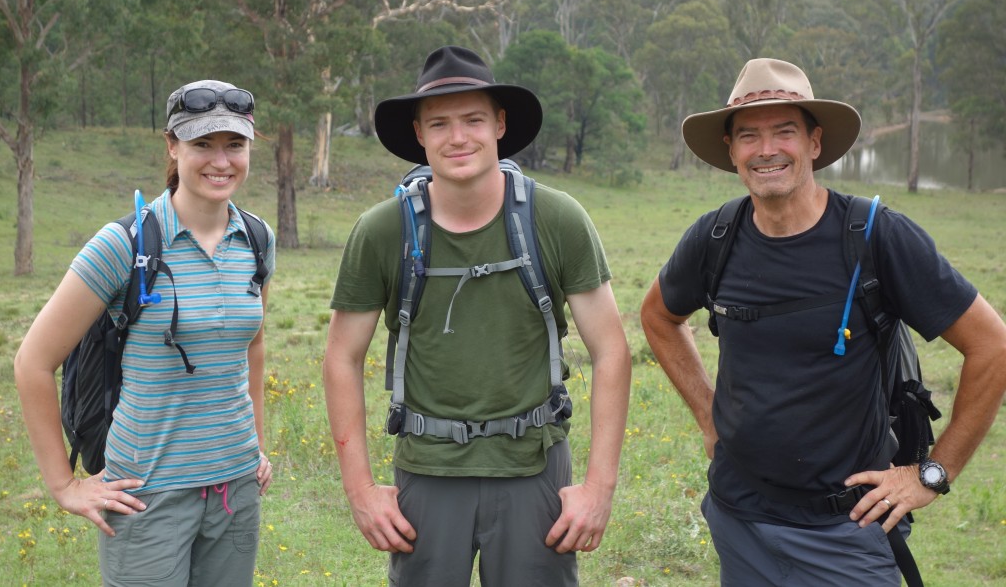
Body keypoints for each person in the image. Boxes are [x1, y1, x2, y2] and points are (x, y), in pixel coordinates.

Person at [639, 57, 1006, 586]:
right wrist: (708, 417)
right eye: (748, 136)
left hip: (847, 530)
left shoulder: (877, 236)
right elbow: (657, 316)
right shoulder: (715, 237)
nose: (766, 150)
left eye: (783, 131)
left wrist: (933, 472)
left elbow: (991, 346)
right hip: (740, 520)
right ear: (731, 152)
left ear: (814, 143)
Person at [323, 45, 631, 586]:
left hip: (534, 469)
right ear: (418, 133)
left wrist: (598, 488)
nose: (457, 137)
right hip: (427, 472)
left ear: (500, 125)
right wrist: (361, 491)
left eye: (473, 119)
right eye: (438, 123)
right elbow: (341, 358)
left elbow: (611, 351)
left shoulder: (556, 219)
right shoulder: (382, 231)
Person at [14, 79, 276, 587]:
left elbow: (254, 343)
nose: (221, 161)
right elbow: (32, 362)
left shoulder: (258, 240)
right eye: (202, 144)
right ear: (172, 146)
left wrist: (256, 446)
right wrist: (64, 486)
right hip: (147, 494)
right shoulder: (124, 244)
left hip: (236, 491)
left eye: (234, 145)